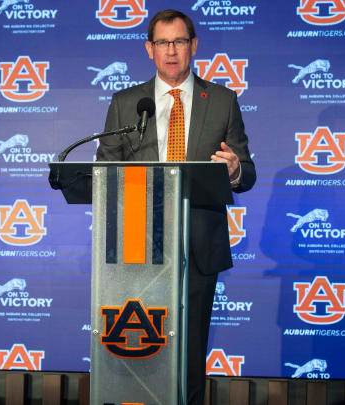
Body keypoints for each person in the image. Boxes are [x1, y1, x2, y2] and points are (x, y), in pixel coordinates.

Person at [95, 9, 255, 405]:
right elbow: (103, 170)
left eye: (179, 41)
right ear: (149, 49)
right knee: (138, 349)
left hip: (198, 244)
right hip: (137, 244)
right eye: (163, 43)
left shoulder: (221, 100)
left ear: (194, 46)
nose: (171, 51)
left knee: (190, 350)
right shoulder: (127, 102)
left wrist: (234, 169)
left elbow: (247, 173)